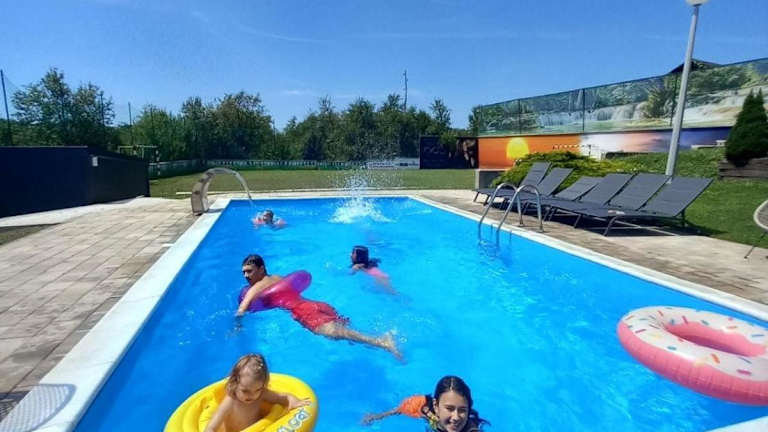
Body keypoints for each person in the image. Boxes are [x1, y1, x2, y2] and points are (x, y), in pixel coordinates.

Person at [237, 254, 401, 360]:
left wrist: (236, 326)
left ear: (261, 269)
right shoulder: (278, 278)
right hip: (316, 304)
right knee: (346, 334)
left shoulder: (256, 288)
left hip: (303, 311)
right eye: (243, 272)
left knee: (335, 334)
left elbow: (241, 310)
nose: (246, 276)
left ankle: (382, 341)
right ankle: (375, 339)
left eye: (249, 271)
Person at [203, 353, 310, 432]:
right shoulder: (231, 401)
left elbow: (282, 397)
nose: (252, 395)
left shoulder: (262, 394)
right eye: (245, 390)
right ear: (235, 383)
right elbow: (211, 427)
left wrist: (293, 401)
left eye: (257, 390)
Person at [361, 376, 488, 432]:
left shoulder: (471, 429)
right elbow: (398, 410)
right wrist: (378, 416)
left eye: (462, 410)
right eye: (449, 408)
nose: (456, 417)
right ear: (436, 406)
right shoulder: (425, 409)